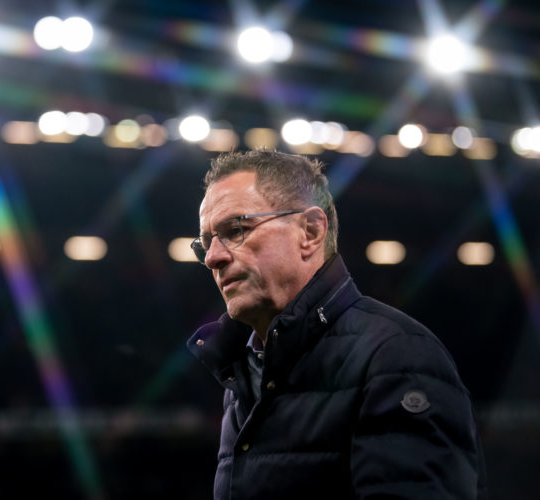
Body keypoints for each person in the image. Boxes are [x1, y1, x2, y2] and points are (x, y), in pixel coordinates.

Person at [186, 150, 487, 499]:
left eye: (236, 229)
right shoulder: (244, 371)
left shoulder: (398, 358)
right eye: (206, 242)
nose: (213, 258)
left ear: (310, 231)